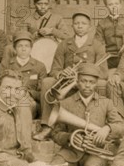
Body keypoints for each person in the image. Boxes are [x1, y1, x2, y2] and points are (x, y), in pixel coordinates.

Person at [34, 10, 108, 140]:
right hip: (66, 83)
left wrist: (86, 74)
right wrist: (61, 73)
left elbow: (103, 72)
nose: (80, 26)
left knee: (102, 84)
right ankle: (47, 125)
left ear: (89, 27)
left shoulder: (97, 45)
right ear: (72, 26)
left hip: (86, 83)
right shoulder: (64, 44)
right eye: (76, 23)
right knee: (47, 82)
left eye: (83, 24)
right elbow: (54, 70)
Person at [0, 30, 47, 118]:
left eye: (27, 46)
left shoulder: (40, 66)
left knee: (24, 109)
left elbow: (42, 94)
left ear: (31, 48)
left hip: (29, 102)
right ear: (14, 48)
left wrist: (28, 93)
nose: (23, 49)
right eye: (20, 46)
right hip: (8, 99)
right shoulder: (6, 64)